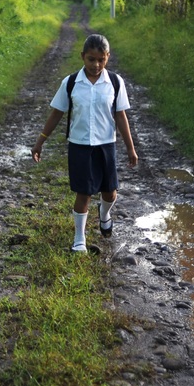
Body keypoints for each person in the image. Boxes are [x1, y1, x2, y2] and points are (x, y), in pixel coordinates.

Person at [31, 33, 139, 252]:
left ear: (108, 57)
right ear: (82, 56)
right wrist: (40, 141)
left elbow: (120, 115)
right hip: (79, 146)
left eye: (101, 59)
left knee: (110, 192)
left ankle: (104, 213)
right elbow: (56, 113)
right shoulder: (71, 83)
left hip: (106, 145)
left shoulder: (115, 83)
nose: (96, 65)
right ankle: (79, 239)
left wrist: (130, 147)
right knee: (84, 192)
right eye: (91, 59)